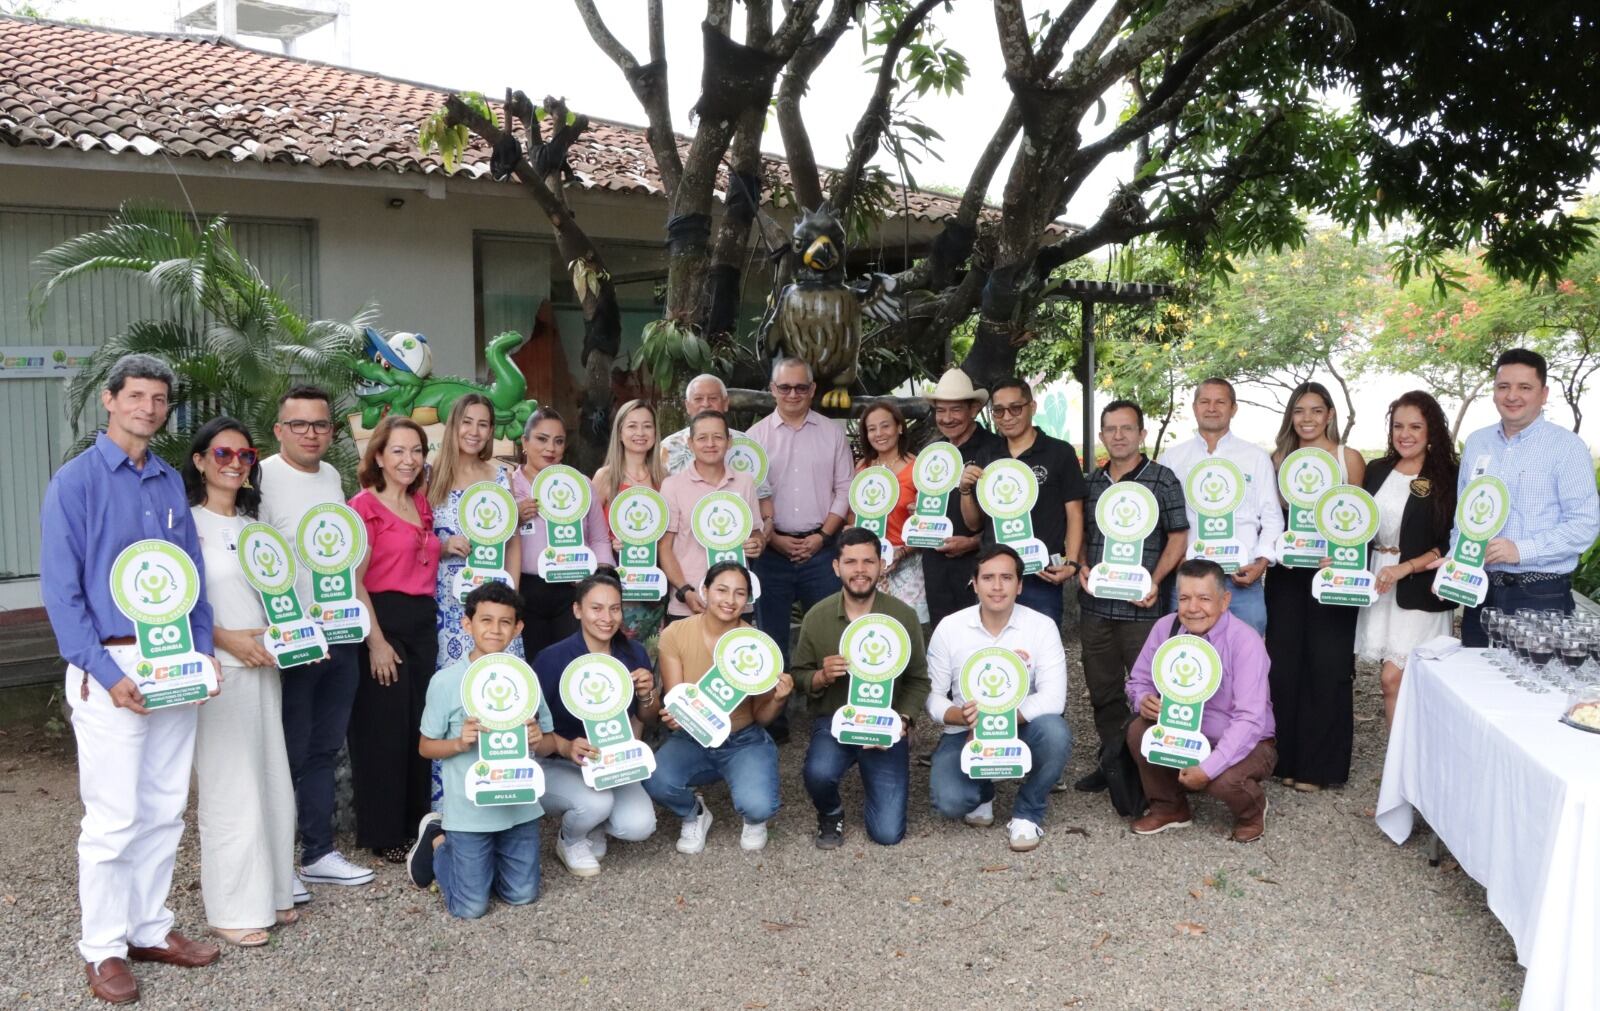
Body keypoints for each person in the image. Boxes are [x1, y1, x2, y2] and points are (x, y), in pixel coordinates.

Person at [40, 354, 221, 1003]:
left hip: (172, 663)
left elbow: (190, 576)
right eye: (136, 395)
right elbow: (62, 595)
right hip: (109, 664)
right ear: (110, 401)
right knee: (114, 817)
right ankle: (103, 948)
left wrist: (201, 656)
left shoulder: (169, 480)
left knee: (166, 807)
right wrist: (107, 672)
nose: (148, 407)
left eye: (159, 398)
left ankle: (148, 927)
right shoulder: (76, 482)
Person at [183, 418, 298, 947]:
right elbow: (177, 605)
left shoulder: (258, 529)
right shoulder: (184, 527)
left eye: (244, 455)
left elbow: (283, 599)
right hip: (219, 673)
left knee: (272, 781)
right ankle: (231, 908)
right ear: (201, 460)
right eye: (222, 453)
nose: (234, 463)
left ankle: (274, 891)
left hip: (264, 670)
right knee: (232, 791)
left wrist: (294, 637)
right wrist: (226, 639)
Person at [259, 385, 376, 892]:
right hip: (292, 640)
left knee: (326, 748)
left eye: (321, 425)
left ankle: (318, 852)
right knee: (287, 750)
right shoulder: (259, 476)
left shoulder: (331, 475)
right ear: (279, 430)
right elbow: (253, 559)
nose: (311, 434)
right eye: (299, 425)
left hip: (342, 632)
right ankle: (275, 863)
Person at [407, 582, 556, 919]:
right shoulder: (446, 682)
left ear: (518, 628)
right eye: (486, 620)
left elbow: (548, 743)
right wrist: (459, 742)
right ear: (467, 624)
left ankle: (480, 864)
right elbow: (425, 747)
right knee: (471, 907)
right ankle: (438, 841)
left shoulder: (525, 677)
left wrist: (537, 738)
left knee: (522, 895)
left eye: (505, 622)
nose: (495, 629)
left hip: (519, 806)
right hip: (469, 811)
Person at [1072, 400, 1189, 793]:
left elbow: (1178, 536)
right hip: (1096, 607)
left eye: (1127, 428)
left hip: (1144, 610)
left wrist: (1155, 580)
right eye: (1110, 429)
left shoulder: (1162, 479)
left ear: (1142, 434)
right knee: (1103, 690)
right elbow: (1083, 535)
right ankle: (1112, 762)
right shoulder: (1090, 484)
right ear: (1102, 435)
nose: (1118, 436)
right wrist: (1083, 566)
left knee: (1150, 691)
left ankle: (1149, 768)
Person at [790, 527, 931, 848]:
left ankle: (883, 773)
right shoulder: (817, 616)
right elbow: (798, 676)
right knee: (818, 773)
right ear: (836, 566)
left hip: (885, 724)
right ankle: (831, 812)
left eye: (868, 561)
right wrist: (821, 677)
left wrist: (903, 721)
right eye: (851, 561)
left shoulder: (902, 616)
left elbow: (919, 680)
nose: (860, 570)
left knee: (886, 834)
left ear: (881, 565)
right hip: (834, 720)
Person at [1450, 348, 1600, 646]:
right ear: (1494, 391)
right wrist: (1456, 564)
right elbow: (1463, 515)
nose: (1512, 396)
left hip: (1540, 595)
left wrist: (1521, 550)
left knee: (1535, 685)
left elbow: (1585, 524)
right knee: (1475, 684)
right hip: (1480, 591)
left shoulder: (1566, 447)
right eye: (1503, 386)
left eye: (1524, 387)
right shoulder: (1478, 442)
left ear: (1543, 394)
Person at [926, 545, 1071, 852]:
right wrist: (961, 718)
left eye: (1006, 577)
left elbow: (1054, 698)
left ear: (1019, 585)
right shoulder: (950, 628)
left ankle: (1028, 811)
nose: (997, 586)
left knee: (1055, 733)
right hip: (966, 730)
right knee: (951, 801)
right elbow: (933, 697)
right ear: (974, 583)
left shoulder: (1041, 626)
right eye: (988, 577)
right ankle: (982, 791)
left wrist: (999, 719)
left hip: (1021, 726)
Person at [1125, 559, 1277, 844]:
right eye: (1185, 598)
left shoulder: (1245, 641)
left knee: (1222, 780)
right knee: (1138, 731)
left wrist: (1208, 768)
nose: (1193, 608)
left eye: (1204, 598)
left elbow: (1250, 720)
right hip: (1185, 731)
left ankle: (1252, 811)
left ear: (1225, 600)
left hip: (1249, 741)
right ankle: (1170, 807)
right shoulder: (1165, 628)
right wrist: (1143, 699)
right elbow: (1138, 681)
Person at [646, 563, 793, 853]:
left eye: (740, 593)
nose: (730, 600)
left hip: (742, 739)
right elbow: (676, 696)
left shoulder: (757, 646)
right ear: (705, 590)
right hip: (692, 736)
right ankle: (694, 813)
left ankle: (754, 818)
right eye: (722, 590)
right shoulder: (676, 633)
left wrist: (778, 698)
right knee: (654, 778)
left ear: (748, 599)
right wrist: (678, 715)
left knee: (759, 806)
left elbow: (761, 718)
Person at [1264, 382, 1366, 792]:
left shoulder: (1349, 459)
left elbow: (1359, 520)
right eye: (1299, 411)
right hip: (1289, 573)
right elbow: (1272, 517)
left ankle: (1320, 767)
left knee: (1328, 665)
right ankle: (1284, 758)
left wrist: (1341, 556)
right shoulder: (1278, 458)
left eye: (1316, 411)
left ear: (1329, 415)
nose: (1307, 419)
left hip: (1333, 572)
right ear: (1291, 416)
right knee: (1285, 666)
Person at [348, 415, 441, 863]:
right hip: (383, 622)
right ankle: (383, 833)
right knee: (384, 730)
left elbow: (420, 553)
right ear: (379, 456)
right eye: (399, 451)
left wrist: (453, 544)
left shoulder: (420, 503)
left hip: (423, 624)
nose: (409, 459)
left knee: (419, 727)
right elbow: (354, 580)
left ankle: (416, 823)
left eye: (417, 450)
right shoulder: (363, 508)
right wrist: (376, 642)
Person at [427, 394, 523, 814]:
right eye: (467, 422)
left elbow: (514, 541)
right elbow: (417, 536)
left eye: (483, 424)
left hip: (497, 607)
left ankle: (505, 793)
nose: (474, 431)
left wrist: (511, 599)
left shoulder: (502, 477)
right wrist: (444, 544)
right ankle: (450, 804)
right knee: (456, 697)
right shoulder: (431, 477)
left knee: (502, 692)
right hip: (450, 608)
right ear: (453, 425)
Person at [531, 572, 660, 877]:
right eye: (596, 608)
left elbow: (648, 717)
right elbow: (531, 731)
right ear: (577, 610)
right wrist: (564, 747)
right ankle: (571, 839)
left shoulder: (633, 652)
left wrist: (647, 693)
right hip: (559, 762)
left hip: (613, 762)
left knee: (639, 825)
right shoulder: (552, 659)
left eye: (615, 608)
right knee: (595, 802)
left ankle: (594, 822)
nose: (607, 618)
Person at [1357, 392, 1458, 728]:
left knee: (1394, 678)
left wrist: (1406, 567)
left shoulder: (1448, 476)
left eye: (1415, 426)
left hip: (1419, 584)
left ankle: (1415, 760)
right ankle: (1400, 764)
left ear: (1432, 431)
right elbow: (1355, 525)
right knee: (1391, 682)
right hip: (1379, 581)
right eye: (1398, 426)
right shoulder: (1377, 470)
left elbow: (1449, 541)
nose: (1405, 434)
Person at [749, 357, 854, 668]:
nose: (792, 394)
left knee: (830, 636)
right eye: (785, 387)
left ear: (813, 389)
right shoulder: (754, 438)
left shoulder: (833, 433)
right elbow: (746, 495)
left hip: (822, 551)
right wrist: (775, 538)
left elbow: (845, 489)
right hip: (770, 552)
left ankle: (829, 713)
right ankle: (774, 716)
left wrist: (822, 537)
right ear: (772, 389)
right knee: (770, 640)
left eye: (800, 387)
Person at [958, 377, 1087, 627]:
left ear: (1032, 407)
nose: (1007, 416)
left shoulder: (1059, 452)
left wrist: (1071, 562)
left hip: (1042, 573)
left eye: (1015, 408)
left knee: (1040, 654)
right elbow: (974, 524)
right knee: (994, 652)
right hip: (994, 575)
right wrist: (964, 490)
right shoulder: (987, 455)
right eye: (998, 410)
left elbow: (1075, 513)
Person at [1159, 378, 1283, 635]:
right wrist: (1177, 560)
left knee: (1246, 660)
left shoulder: (1255, 457)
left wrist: (1261, 563)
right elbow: (1163, 519)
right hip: (1189, 579)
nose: (1212, 408)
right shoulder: (1172, 458)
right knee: (1188, 660)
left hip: (1241, 582)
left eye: (1220, 402)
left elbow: (1272, 517)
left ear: (1233, 408)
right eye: (1205, 401)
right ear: (1194, 407)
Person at [510, 408, 616, 659]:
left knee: (573, 665)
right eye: (542, 439)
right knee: (533, 668)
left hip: (573, 590)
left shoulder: (580, 484)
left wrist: (596, 577)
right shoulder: (508, 486)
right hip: (525, 591)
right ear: (525, 442)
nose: (551, 448)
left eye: (558, 441)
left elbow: (600, 540)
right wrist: (512, 517)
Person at [658, 411, 766, 625]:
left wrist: (758, 543)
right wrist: (685, 591)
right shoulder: (672, 486)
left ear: (729, 441)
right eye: (702, 438)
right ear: (690, 443)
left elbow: (756, 533)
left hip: (734, 602)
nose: (710, 444)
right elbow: (665, 548)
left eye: (718, 437)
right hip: (689, 602)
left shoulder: (744, 482)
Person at [922, 369, 1003, 628]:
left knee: (980, 635)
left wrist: (971, 543)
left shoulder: (994, 450)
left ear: (974, 409)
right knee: (942, 636)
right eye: (940, 410)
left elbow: (1005, 516)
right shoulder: (933, 451)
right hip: (935, 563)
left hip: (978, 563)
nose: (947, 418)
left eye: (955, 410)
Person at [592, 398, 668, 641]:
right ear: (620, 433)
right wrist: (608, 543)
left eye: (647, 426)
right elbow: (588, 531)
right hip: (614, 588)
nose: (640, 433)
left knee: (650, 662)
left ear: (655, 433)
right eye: (632, 426)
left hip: (653, 584)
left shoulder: (665, 480)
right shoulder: (605, 478)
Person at [852, 401, 928, 625]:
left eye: (885, 426)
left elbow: (927, 525)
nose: (879, 434)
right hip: (869, 562)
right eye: (872, 429)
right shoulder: (862, 469)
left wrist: (901, 552)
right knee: (872, 629)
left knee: (910, 629)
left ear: (900, 427)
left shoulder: (918, 468)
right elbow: (854, 518)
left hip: (909, 562)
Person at [659, 373, 775, 501]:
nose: (706, 404)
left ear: (725, 403)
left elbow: (763, 498)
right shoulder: (668, 447)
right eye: (698, 399)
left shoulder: (748, 446)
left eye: (713, 398)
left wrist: (767, 520)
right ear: (687, 406)